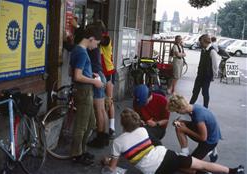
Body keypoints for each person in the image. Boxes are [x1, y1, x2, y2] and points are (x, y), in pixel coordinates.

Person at [101, 108, 244, 174]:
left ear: (122, 124)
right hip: (167, 156)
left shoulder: (117, 142)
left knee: (189, 170)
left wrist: (106, 162)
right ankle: (233, 171)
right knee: (201, 164)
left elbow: (112, 168)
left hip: (154, 170)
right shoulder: (143, 130)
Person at [69, 26, 103, 165]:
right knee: (82, 125)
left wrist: (90, 75)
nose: (96, 47)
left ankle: (82, 150)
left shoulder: (77, 49)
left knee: (91, 123)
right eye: (96, 43)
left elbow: (72, 73)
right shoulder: (82, 53)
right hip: (84, 90)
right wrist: (94, 81)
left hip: (82, 89)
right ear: (91, 39)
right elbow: (77, 76)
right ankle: (77, 154)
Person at [168, 94, 221, 162]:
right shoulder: (193, 107)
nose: (178, 113)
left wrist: (186, 129)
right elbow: (196, 124)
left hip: (209, 141)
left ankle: (210, 150)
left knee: (191, 165)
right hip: (208, 133)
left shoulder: (199, 116)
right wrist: (182, 122)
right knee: (179, 126)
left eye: (177, 111)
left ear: (181, 108)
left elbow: (203, 138)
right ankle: (185, 154)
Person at [87, 38, 109, 148]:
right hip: (100, 75)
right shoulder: (97, 46)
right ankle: (104, 136)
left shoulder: (91, 45)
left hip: (96, 76)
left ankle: (100, 139)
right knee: (102, 109)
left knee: (98, 110)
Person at [189, 34, 218, 108]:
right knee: (195, 91)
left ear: (204, 41)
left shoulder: (212, 51)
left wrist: (214, 76)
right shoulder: (203, 50)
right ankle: (190, 106)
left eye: (201, 42)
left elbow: (215, 65)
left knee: (205, 93)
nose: (200, 44)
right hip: (200, 74)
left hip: (207, 76)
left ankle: (205, 108)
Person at [100, 31, 116, 139]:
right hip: (101, 72)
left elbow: (103, 41)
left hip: (108, 72)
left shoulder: (106, 38)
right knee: (101, 101)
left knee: (109, 100)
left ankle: (112, 127)